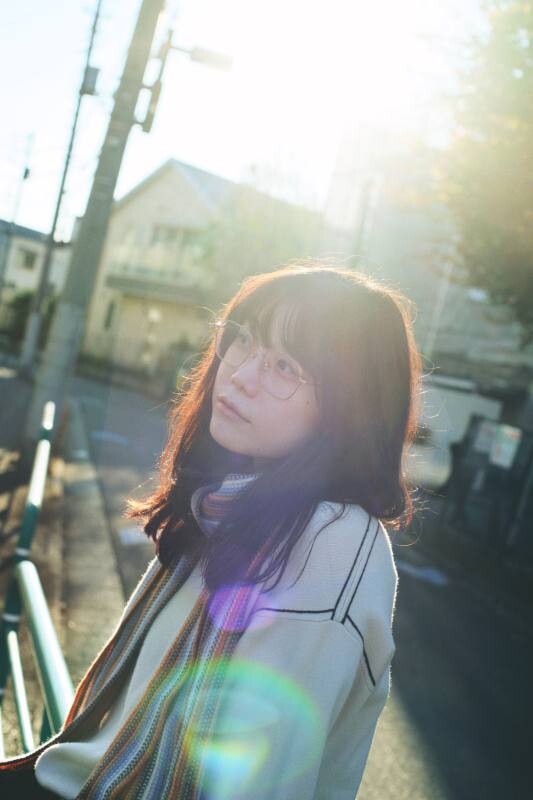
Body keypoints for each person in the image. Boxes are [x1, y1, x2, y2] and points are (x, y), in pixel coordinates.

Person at [0, 264, 422, 799]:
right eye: (243, 340)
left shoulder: (331, 543)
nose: (240, 374)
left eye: (285, 366)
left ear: (349, 409)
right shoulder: (228, 505)